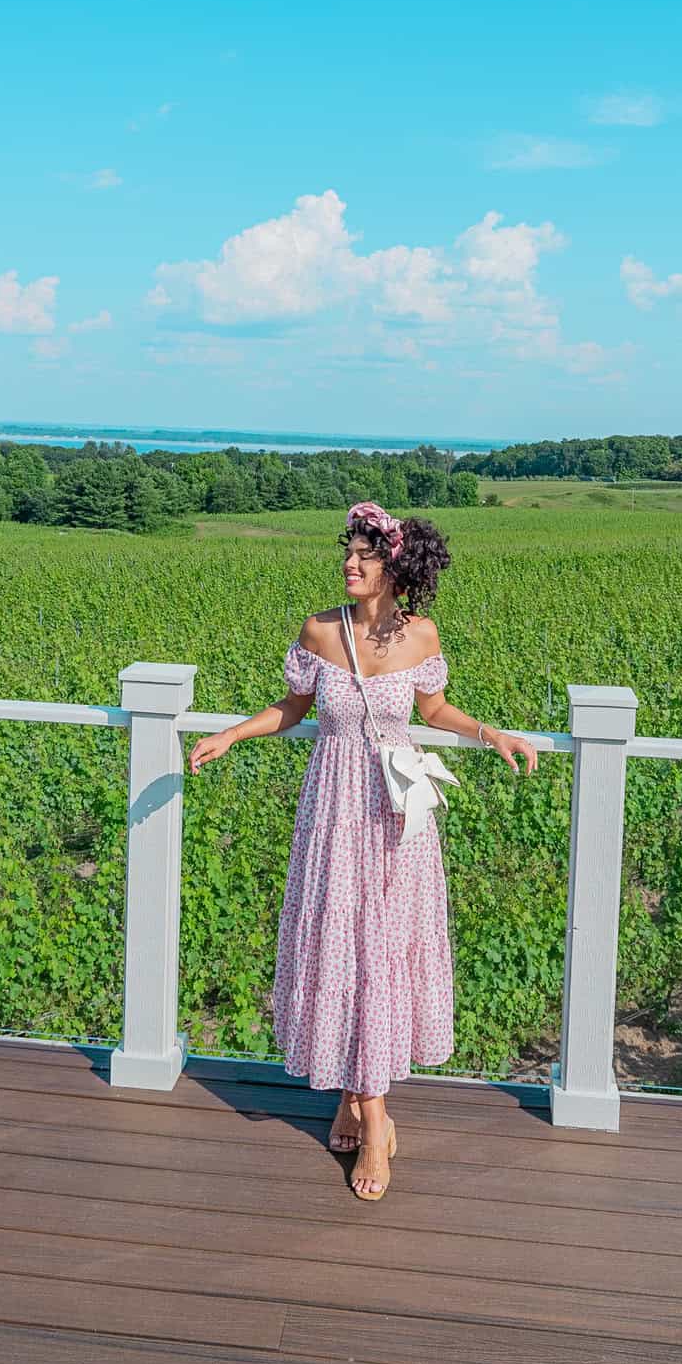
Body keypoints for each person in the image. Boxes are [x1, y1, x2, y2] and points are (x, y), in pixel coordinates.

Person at [188, 499, 538, 1201]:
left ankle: (364, 1109)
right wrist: (231, 733)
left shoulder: (421, 636)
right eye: (347, 553)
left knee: (381, 948)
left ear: (395, 567)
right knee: (340, 947)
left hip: (396, 813)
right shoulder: (319, 631)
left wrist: (491, 734)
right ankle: (367, 1111)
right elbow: (292, 709)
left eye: (364, 556)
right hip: (333, 809)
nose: (350, 564)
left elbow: (434, 712)